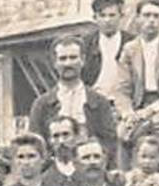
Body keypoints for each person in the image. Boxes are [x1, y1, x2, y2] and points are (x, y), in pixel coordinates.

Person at [28, 35, 120, 164]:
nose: (68, 63)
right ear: (54, 63)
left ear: (82, 60)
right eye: (62, 58)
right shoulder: (42, 105)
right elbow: (35, 144)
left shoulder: (99, 102)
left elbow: (110, 143)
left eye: (73, 58)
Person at [113, 0, 159, 158]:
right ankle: (126, 177)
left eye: (156, 16)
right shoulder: (129, 50)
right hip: (138, 105)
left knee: (151, 126)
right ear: (138, 18)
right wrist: (127, 113)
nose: (151, 20)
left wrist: (151, 110)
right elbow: (122, 87)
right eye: (146, 15)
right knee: (122, 131)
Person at [82, 0, 134, 101]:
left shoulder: (132, 42)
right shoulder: (86, 43)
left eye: (112, 15)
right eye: (102, 15)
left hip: (125, 101)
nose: (107, 20)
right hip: (93, 101)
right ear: (95, 17)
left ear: (121, 16)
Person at [44, 114, 82, 186]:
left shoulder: (88, 166)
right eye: (56, 136)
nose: (61, 141)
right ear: (49, 140)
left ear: (77, 137)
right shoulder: (44, 176)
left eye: (66, 134)